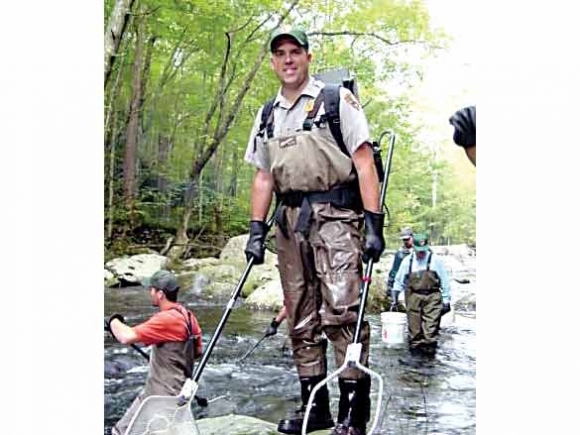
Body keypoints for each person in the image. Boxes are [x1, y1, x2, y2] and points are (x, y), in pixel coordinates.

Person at [243, 26, 384, 435]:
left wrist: (373, 225)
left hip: (337, 220)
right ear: (272, 61)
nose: (288, 60)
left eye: (295, 52)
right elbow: (263, 177)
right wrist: (255, 230)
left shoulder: (335, 101)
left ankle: (353, 415)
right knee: (301, 317)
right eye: (280, 53)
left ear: (307, 57)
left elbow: (363, 163)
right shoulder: (268, 113)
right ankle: (315, 408)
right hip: (288, 225)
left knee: (342, 312)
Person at [106, 270, 203, 435]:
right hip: (167, 394)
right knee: (118, 431)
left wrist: (113, 321)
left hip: (161, 400)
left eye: (152, 289)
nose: (149, 292)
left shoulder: (166, 319)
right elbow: (197, 352)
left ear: (160, 294)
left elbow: (126, 336)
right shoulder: (188, 316)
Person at [392, 234, 451, 364]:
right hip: (413, 296)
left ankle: (429, 361)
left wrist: (446, 300)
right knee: (415, 331)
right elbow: (399, 281)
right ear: (414, 247)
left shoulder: (436, 260)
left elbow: (445, 281)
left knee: (430, 331)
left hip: (433, 297)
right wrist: (394, 298)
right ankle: (415, 360)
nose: (421, 254)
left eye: (423, 250)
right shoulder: (407, 261)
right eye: (419, 251)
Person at [386, 227, 414, 310]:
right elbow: (394, 273)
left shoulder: (424, 250)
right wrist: (390, 290)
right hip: (406, 288)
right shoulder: (401, 254)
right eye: (404, 240)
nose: (405, 241)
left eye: (407, 239)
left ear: (412, 237)